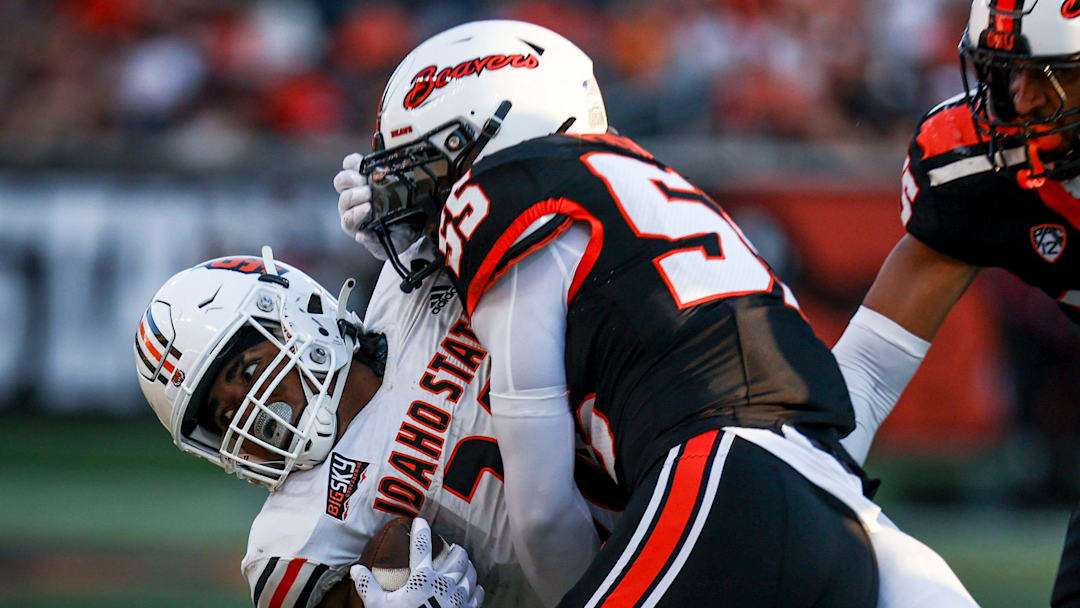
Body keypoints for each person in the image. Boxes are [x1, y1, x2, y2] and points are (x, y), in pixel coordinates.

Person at [335, 18, 979, 608]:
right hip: (838, 497)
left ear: (501, 140)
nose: (421, 205)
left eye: (428, 172)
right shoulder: (649, 189)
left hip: (717, 483)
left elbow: (541, 512)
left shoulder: (505, 198)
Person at [135, 245, 615, 607]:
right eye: (222, 417)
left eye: (247, 371)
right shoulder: (291, 542)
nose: (249, 413)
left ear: (295, 317)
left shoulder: (417, 275)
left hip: (643, 465)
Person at [826, 2, 1080, 605]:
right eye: (1005, 71)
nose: (1020, 100)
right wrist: (807, 474)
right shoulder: (978, 169)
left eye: (1050, 73)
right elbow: (866, 368)